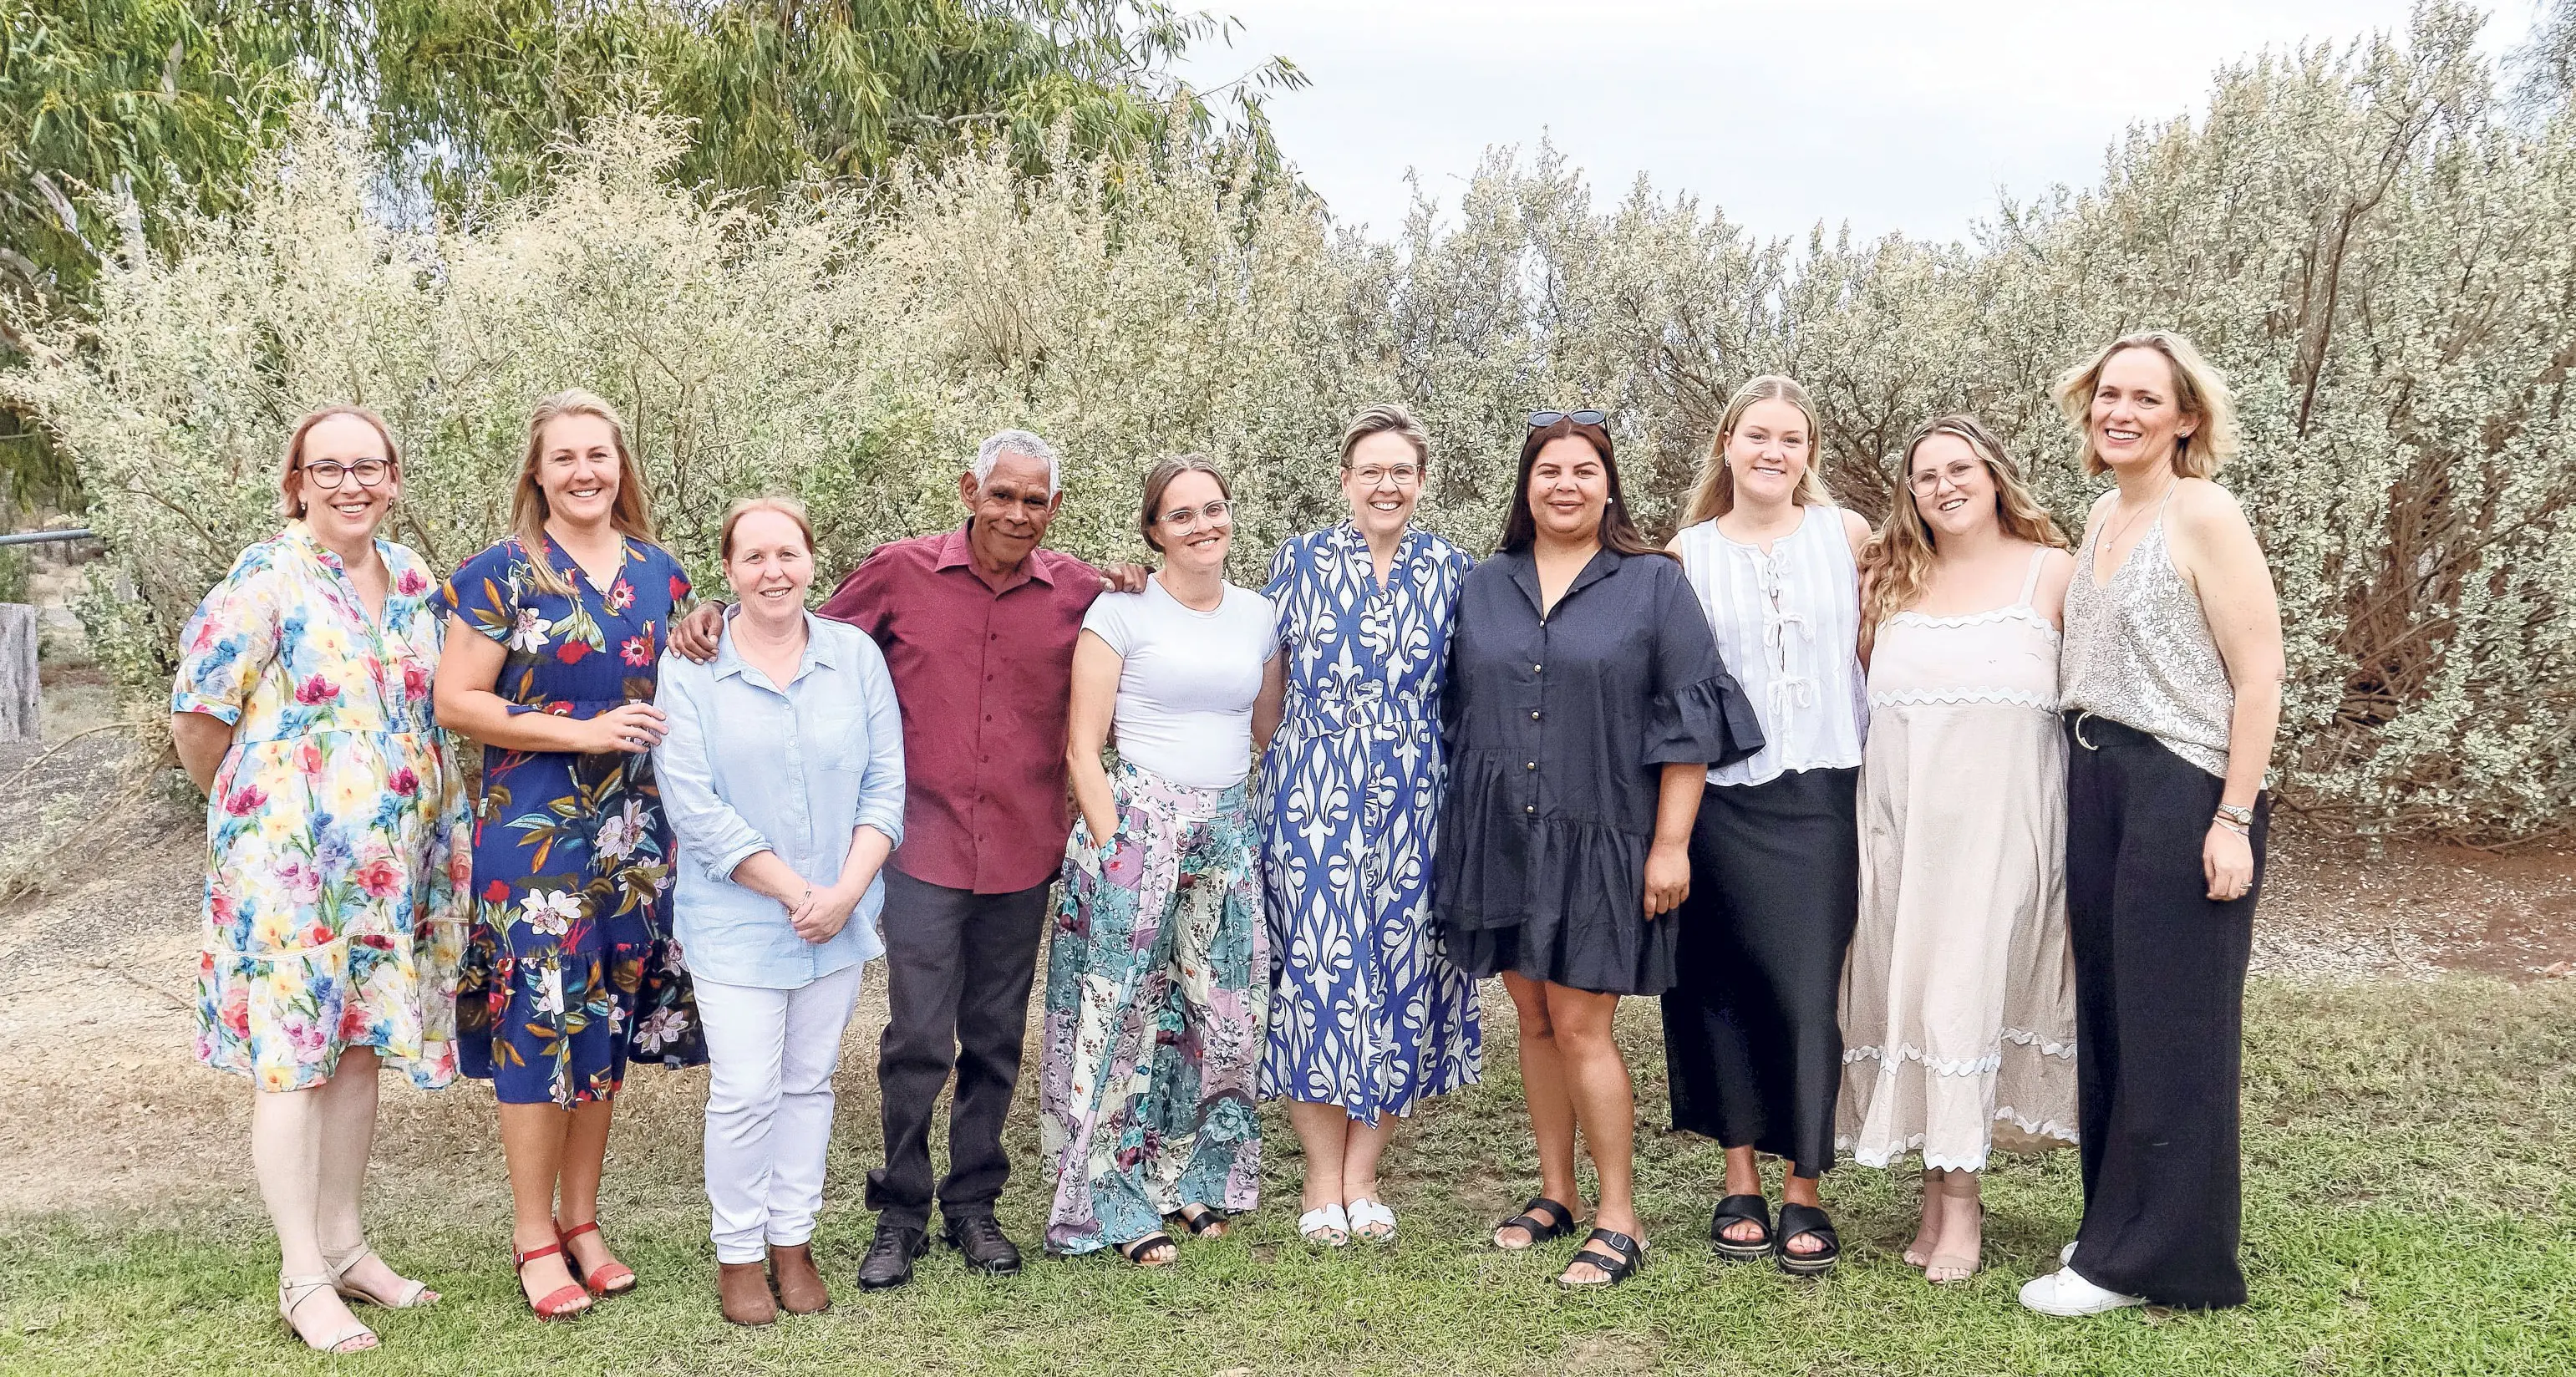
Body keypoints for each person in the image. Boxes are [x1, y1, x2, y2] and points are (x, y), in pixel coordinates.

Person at [668, 429, 1144, 1292]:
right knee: (918, 1037)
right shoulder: (898, 572)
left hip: (1019, 848)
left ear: (1055, 509)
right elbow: (788, 631)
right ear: (968, 488)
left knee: (997, 1037)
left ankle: (974, 1205)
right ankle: (898, 1209)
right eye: (1001, 493)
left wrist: (1136, 582)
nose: (1016, 512)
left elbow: (1141, 646)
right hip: (914, 848)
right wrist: (709, 617)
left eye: (1034, 500)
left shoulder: (1079, 591)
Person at [170, 404, 470, 1354]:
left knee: (355, 1050)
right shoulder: (264, 580)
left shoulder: (417, 584)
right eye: (328, 468)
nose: (351, 484)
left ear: (394, 479)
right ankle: (302, 1274)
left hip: (388, 871)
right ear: (296, 481)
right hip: (287, 874)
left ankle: (346, 1246)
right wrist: (270, 808)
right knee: (291, 1061)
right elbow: (199, 720)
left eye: (369, 467)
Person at [1437, 410, 1759, 1289]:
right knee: (1533, 1020)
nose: (1565, 485)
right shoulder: (1480, 584)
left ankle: (1620, 1215)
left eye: (1583, 470)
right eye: (1548, 470)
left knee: (1583, 1024)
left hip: (1603, 837)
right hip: (1499, 836)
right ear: (1524, 485)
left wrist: (1670, 845)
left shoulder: (1652, 584)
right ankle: (1555, 1194)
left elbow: (1690, 723)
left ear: (1607, 485)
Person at [2020, 331, 2283, 1317]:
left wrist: (2230, 816)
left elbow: (2258, 675)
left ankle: (2157, 1263)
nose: (2118, 411)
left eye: (2142, 398)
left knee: (2174, 1024)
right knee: (2113, 1018)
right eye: (2105, 395)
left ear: (2183, 418)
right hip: (2096, 777)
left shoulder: (2203, 513)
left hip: (2181, 781)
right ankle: (2113, 1226)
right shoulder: (2101, 514)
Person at [433, 389, 704, 1319]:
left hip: (635, 836)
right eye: (565, 458)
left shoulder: (661, 573)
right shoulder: (500, 574)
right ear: (537, 473)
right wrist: (582, 731)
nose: (585, 471)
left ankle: (584, 1222)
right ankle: (532, 1236)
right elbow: (457, 701)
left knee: (603, 1022)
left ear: (621, 466)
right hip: (532, 837)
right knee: (538, 1021)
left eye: (600, 454)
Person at [653, 498, 905, 1325]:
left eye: (787, 554)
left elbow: (884, 788)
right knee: (747, 1088)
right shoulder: (690, 669)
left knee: (807, 1084)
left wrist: (840, 893)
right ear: (728, 571)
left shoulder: (854, 657)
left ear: (810, 561)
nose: (773, 571)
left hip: (838, 914)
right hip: (739, 919)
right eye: (754, 557)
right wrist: (796, 892)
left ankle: (791, 1242)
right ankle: (737, 1254)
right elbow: (694, 807)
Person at [1840, 414, 2080, 1285]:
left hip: (2004, 827)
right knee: (1916, 998)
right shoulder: (1890, 580)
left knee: (1966, 998)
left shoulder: (2051, 573)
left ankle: (1963, 1203)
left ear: (1992, 472)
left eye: (1958, 468)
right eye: (1923, 475)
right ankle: (1933, 1195)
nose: (1943, 485)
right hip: (1903, 830)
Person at [1039, 455, 1279, 1268]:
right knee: (1122, 1020)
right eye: (1181, 514)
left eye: (1214, 507)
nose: (1202, 524)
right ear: (1153, 531)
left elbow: (1267, 730)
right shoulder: (1120, 613)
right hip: (1135, 823)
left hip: (1224, 832)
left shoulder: (1256, 616)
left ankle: (1188, 1179)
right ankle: (1107, 1197)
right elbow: (1080, 749)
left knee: (1218, 1020)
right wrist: (1115, 849)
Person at [1659, 375, 1872, 1276]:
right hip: (1716, 800)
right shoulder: (1685, 553)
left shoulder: (1847, 536)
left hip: (1821, 790)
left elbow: (1881, 652)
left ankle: (1804, 1184)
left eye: (1790, 438)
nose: (1771, 451)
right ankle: (1736, 1171)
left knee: (1803, 989)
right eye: (1756, 435)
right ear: (1727, 445)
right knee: (1717, 984)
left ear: (1807, 454)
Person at [1257, 404, 1481, 1247]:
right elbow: (1268, 693)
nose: (1386, 484)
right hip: (1310, 796)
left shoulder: (1451, 571)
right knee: (1314, 979)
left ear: (1421, 482)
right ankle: (1319, 1176)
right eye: (1370, 470)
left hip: (1419, 801)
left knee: (1400, 976)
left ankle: (1363, 1175)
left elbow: (1463, 696)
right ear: (1345, 480)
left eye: (1401, 471)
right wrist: (1299, 770)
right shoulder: (1300, 561)